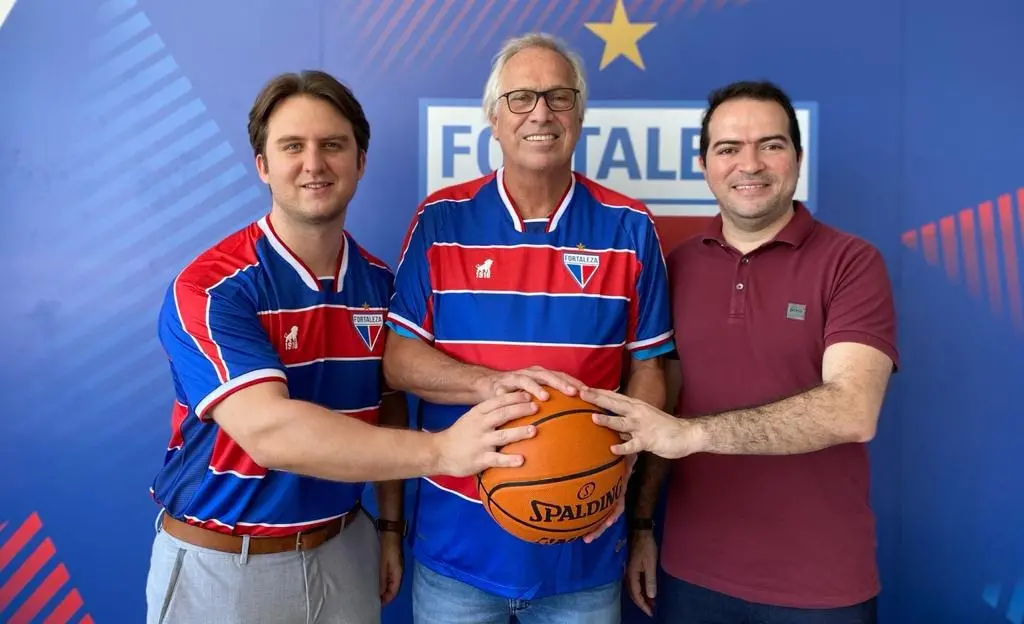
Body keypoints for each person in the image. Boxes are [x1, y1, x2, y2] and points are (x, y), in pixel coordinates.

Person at [145, 70, 540, 624]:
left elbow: (390, 406)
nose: (314, 163)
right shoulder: (212, 287)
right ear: (263, 165)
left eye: (333, 145)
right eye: (292, 147)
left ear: (359, 162)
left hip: (345, 549)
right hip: (225, 564)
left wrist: (389, 528)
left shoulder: (381, 285)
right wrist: (442, 452)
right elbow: (271, 433)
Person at [381, 33, 675, 624]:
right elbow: (399, 361)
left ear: (580, 114)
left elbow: (650, 368)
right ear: (494, 118)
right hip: (457, 550)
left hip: (585, 553)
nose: (540, 112)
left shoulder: (630, 226)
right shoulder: (441, 221)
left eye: (558, 96)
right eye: (520, 98)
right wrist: (495, 385)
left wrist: (620, 465)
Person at [583, 80, 899, 624]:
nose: (749, 164)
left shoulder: (852, 262)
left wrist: (693, 435)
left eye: (770, 145)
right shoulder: (675, 267)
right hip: (692, 574)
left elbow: (853, 409)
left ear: (797, 158)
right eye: (728, 149)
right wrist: (641, 526)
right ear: (705, 164)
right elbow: (667, 408)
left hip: (820, 584)